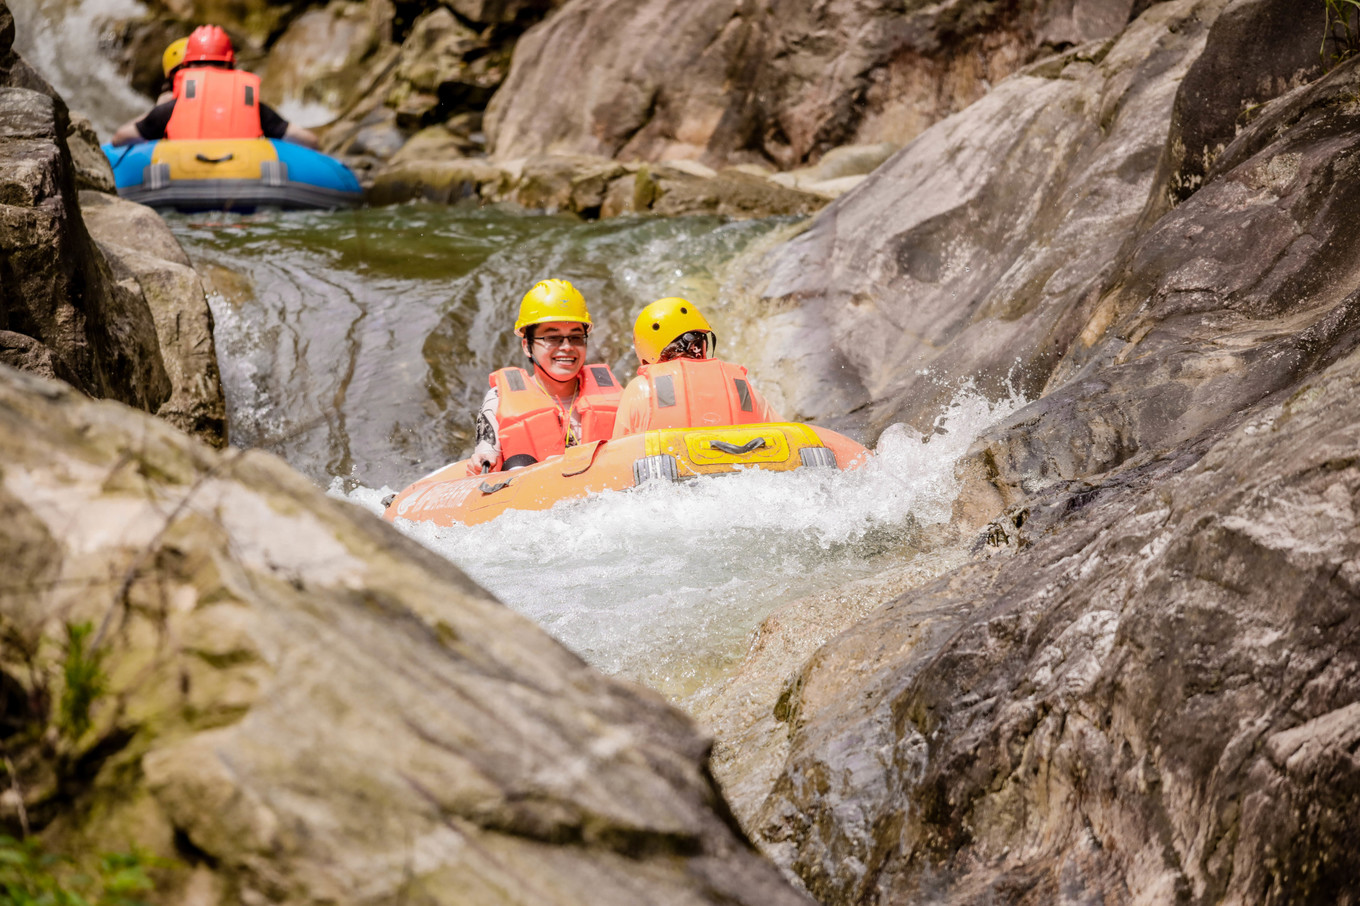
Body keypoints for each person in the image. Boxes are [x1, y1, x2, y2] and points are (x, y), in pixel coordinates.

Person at [470, 279, 622, 474]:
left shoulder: (615, 394)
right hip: (532, 495)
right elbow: (486, 452)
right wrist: (484, 458)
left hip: (606, 493)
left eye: (576, 337)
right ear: (527, 346)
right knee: (519, 463)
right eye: (552, 338)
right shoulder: (498, 399)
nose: (567, 347)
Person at [110, 25, 318, 149]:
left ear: (188, 66)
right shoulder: (251, 105)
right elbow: (309, 141)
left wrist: (155, 111)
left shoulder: (171, 108)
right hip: (246, 184)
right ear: (230, 64)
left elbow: (120, 138)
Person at [613, 297, 778, 438]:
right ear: (703, 345)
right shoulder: (742, 387)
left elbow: (616, 459)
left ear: (648, 352)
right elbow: (792, 435)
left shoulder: (641, 389)